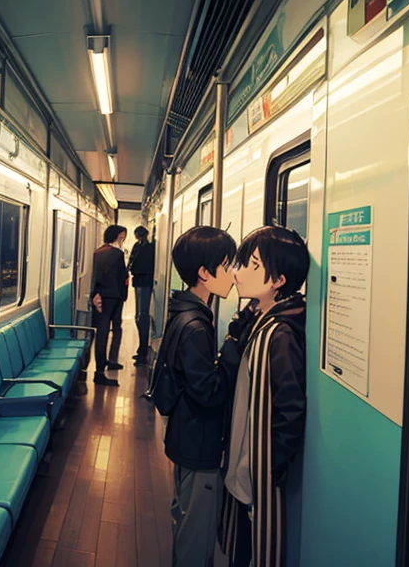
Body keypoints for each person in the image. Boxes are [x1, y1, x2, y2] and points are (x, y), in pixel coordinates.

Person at [219, 226, 308, 567]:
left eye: (249, 265)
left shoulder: (280, 334)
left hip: (257, 471)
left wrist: (270, 469)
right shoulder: (258, 319)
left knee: (250, 550)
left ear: (278, 280)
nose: (237, 272)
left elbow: (289, 408)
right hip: (244, 461)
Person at [156, 226, 240, 567]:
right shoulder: (196, 326)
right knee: (197, 533)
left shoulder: (184, 312)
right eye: (228, 264)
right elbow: (209, 392)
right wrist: (233, 349)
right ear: (205, 273)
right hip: (199, 440)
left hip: (185, 434)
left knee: (186, 516)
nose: (234, 274)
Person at [90, 224, 127, 386]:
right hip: (115, 298)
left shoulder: (98, 252)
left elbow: (96, 277)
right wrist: (123, 296)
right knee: (111, 330)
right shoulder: (117, 254)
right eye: (122, 237)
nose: (123, 240)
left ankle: (103, 364)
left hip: (103, 296)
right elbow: (121, 277)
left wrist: (95, 295)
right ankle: (100, 372)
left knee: (102, 332)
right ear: (117, 237)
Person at [128, 225, 156, 366]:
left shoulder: (147, 248)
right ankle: (141, 348)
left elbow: (133, 263)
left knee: (142, 316)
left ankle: (143, 350)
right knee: (139, 316)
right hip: (140, 282)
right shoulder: (143, 247)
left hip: (144, 283)